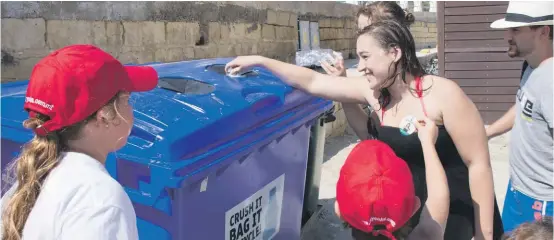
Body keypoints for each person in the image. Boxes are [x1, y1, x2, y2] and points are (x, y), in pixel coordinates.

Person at [225, 20, 504, 239]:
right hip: (404, 212)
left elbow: (478, 164)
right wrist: (260, 60)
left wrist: (484, 235)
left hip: (454, 212)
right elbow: (311, 81)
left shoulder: (443, 94)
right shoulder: (373, 92)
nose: (360, 67)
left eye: (365, 57)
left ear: (394, 53)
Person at [0, 44, 159, 240]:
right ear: (105, 116)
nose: (131, 110)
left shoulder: (27, 183)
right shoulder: (100, 202)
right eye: (126, 100)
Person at [486, 1, 554, 234]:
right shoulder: (532, 66)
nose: (507, 36)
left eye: (516, 30)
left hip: (544, 204)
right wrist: (488, 131)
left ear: (543, 31)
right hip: (518, 190)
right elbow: (523, 107)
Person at [334, 117, 450, 240]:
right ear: (415, 207)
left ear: (338, 210)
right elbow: (438, 198)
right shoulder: (427, 235)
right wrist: (428, 143)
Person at [321, 1, 416, 140]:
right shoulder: (382, 87)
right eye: (359, 31)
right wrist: (343, 83)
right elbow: (369, 135)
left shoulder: (432, 95)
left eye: (367, 30)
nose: (361, 37)